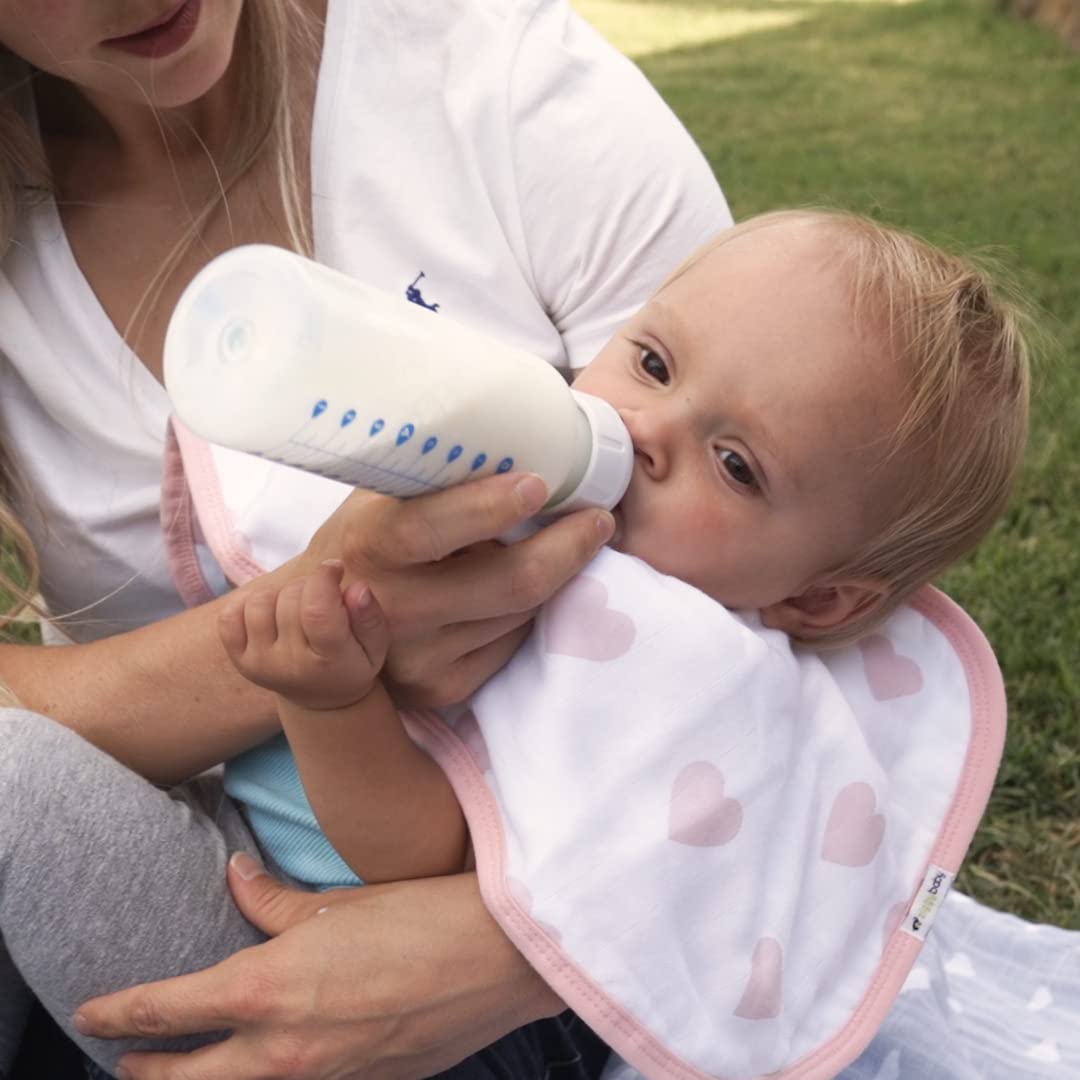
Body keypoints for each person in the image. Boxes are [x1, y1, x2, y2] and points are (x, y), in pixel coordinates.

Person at [0, 209, 1031, 1079]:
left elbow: (421, 855)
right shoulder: (513, 483)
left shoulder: (692, 686)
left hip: (358, 996)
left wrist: (329, 699)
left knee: (18, 788)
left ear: (815, 600)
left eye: (735, 464)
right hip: (238, 850)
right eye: (656, 361)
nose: (648, 429)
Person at [0, 0, 731, 1077]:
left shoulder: (502, 84)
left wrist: (516, 952)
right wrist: (329, 633)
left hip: (546, 903)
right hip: (173, 864)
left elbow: (821, 570)